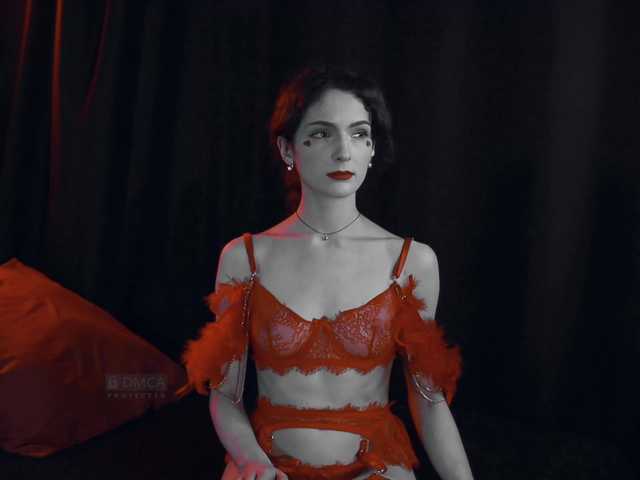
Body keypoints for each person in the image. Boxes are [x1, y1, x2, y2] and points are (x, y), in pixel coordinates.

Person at [176, 65, 474, 480]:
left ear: (372, 149)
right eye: (321, 134)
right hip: (268, 468)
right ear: (287, 150)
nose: (343, 152)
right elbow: (225, 395)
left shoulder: (410, 262)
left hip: (375, 469)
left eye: (359, 134)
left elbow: (428, 400)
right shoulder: (246, 258)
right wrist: (251, 461)